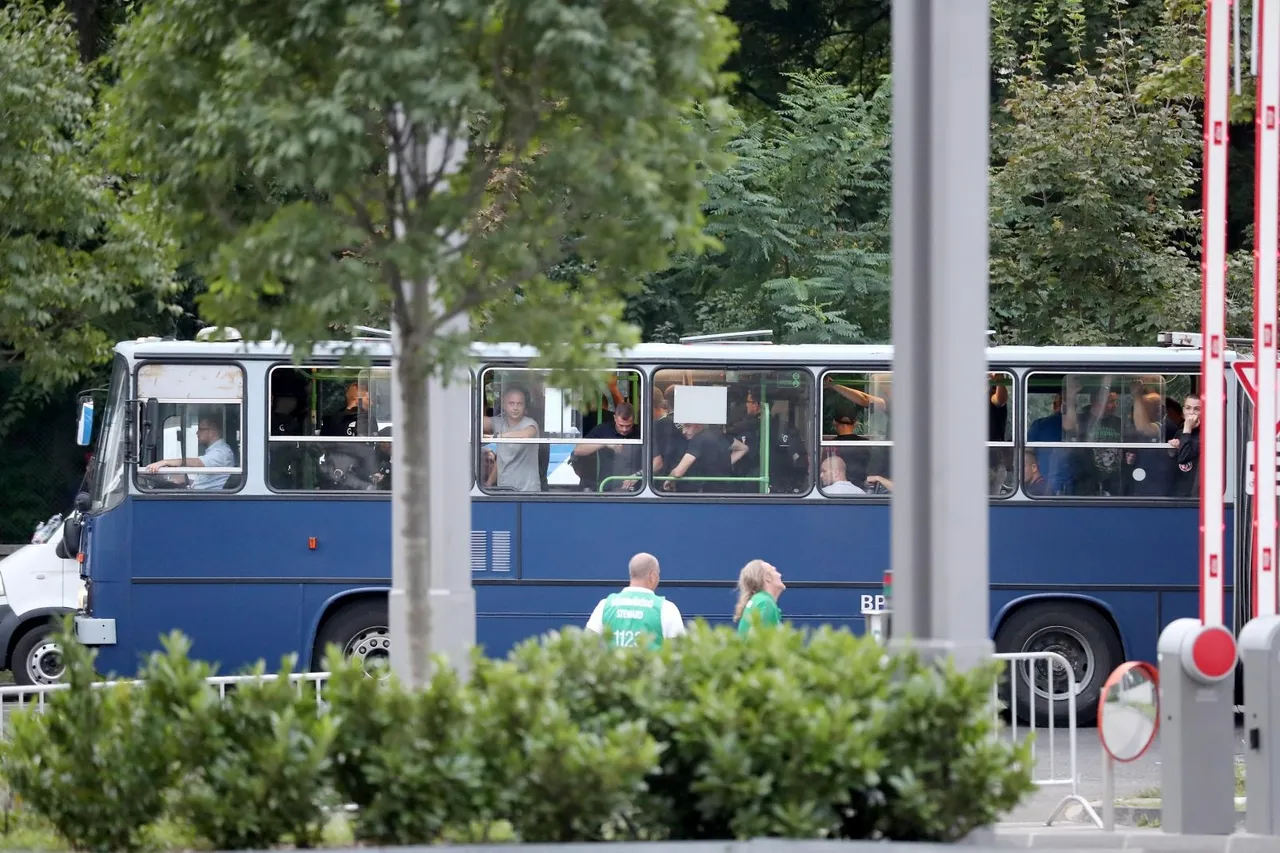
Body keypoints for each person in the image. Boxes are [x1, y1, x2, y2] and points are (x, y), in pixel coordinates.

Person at [585, 552, 685, 648]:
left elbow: (588, 645)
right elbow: (678, 652)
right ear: (653, 576)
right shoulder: (666, 609)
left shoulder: (605, 605)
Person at [142, 416, 236, 490]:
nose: (197, 433)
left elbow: (197, 463)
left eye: (201, 429)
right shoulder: (214, 451)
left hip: (207, 497)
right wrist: (185, 479)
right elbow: (206, 479)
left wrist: (165, 462)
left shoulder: (222, 452)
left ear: (212, 432)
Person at [734, 559, 786, 636]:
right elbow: (761, 642)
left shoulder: (758, 600)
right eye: (774, 571)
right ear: (767, 578)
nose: (780, 575)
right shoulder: (766, 603)